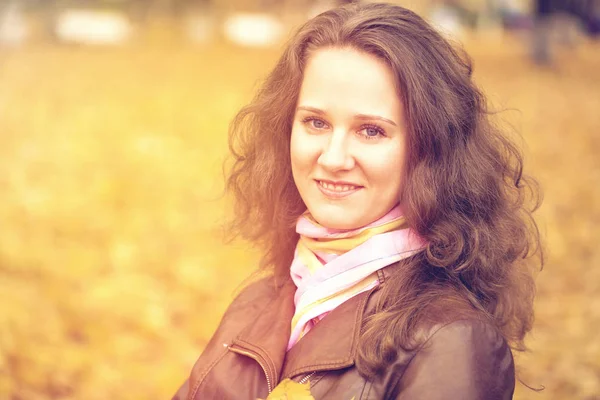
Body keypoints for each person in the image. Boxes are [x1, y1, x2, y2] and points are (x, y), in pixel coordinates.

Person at [172, 2, 542, 399]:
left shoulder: (451, 340)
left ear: (429, 147)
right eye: (316, 122)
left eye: (370, 131)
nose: (332, 158)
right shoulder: (265, 298)